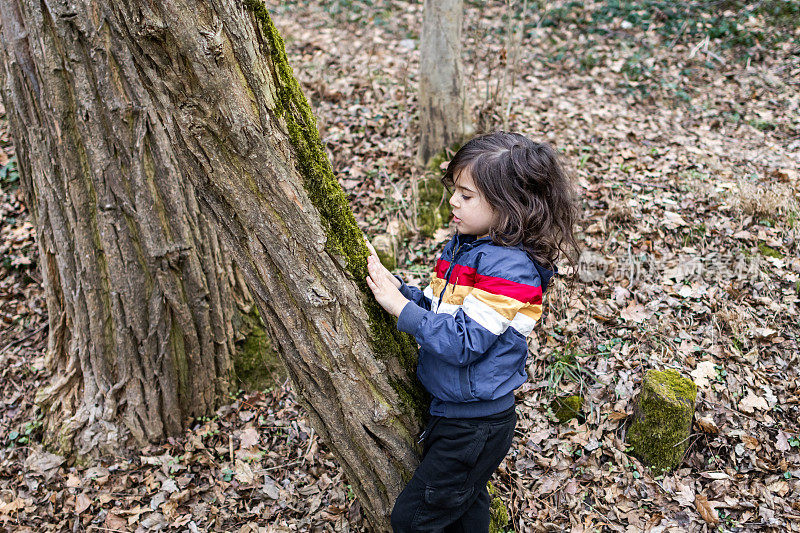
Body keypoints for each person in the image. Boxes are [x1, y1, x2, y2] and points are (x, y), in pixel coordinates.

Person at [365, 131, 579, 532]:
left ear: (508, 205)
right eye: (455, 191)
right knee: (465, 512)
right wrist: (397, 290)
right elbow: (437, 309)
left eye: (466, 196)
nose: (453, 203)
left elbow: (464, 341)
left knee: (413, 520)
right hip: (453, 411)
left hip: (474, 424)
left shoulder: (511, 270)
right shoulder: (465, 246)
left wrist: (400, 309)